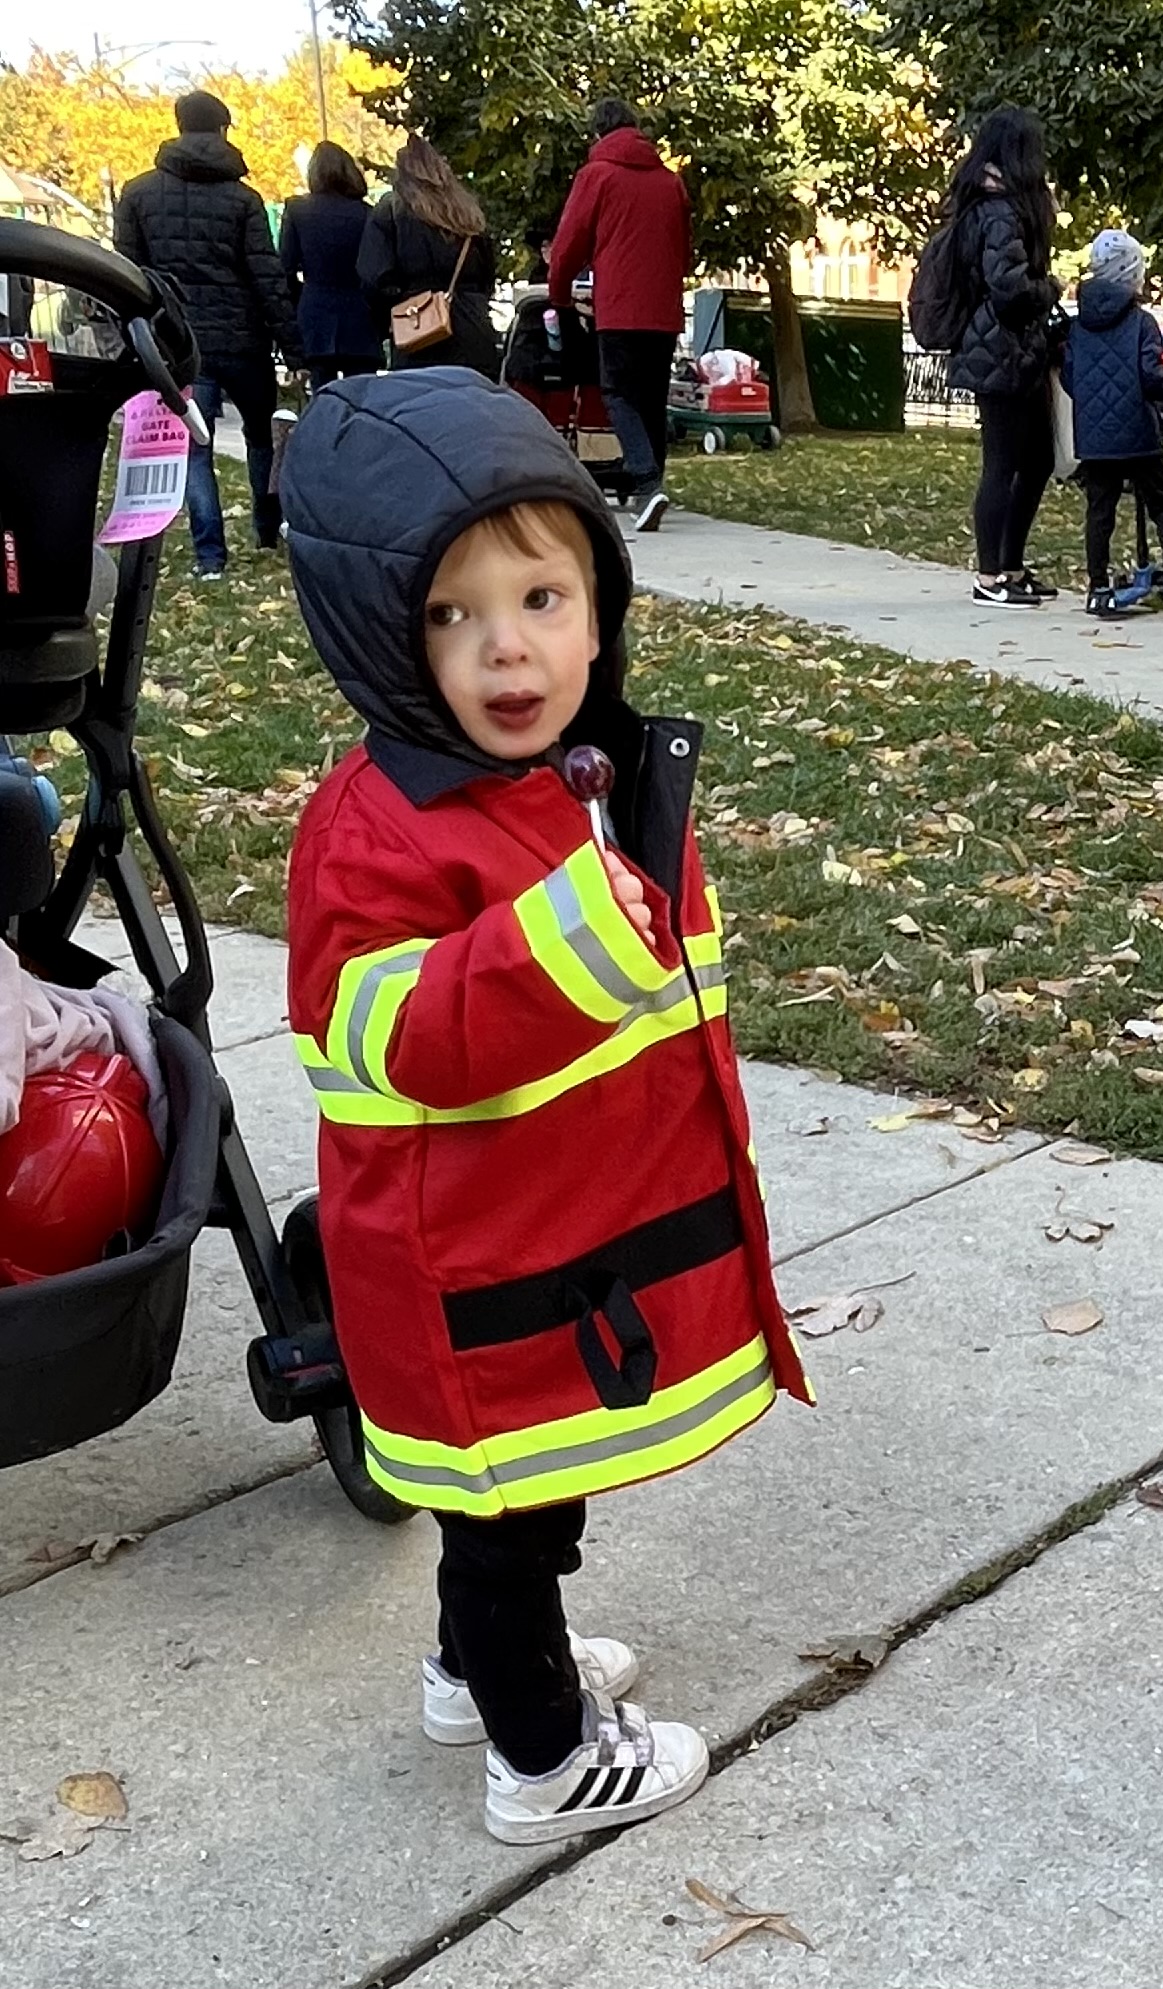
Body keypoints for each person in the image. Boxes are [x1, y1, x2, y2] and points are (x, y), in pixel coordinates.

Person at [278, 369, 811, 1842]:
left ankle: (472, 1669)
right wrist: (559, 939)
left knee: (518, 1510)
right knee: (506, 1519)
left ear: (601, 595)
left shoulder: (575, 775)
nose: (509, 647)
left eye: (543, 594)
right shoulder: (377, 831)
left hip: (549, 1252)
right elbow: (386, 1036)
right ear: (380, 641)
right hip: (465, 1277)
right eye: (449, 615)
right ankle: (543, 1759)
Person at [112, 90, 303, 579]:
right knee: (261, 436)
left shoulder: (137, 194)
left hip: (177, 342)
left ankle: (210, 556)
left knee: (194, 445)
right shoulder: (244, 200)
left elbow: (128, 274)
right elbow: (266, 277)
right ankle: (266, 529)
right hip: (243, 338)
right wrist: (292, 342)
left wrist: (137, 338)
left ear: (178, 127)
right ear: (222, 131)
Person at [549, 100, 694, 535]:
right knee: (651, 396)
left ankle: (647, 482)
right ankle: (651, 485)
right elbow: (684, 249)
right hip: (663, 307)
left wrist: (560, 295)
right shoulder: (671, 183)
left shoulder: (597, 176)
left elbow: (569, 241)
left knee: (618, 393)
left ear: (598, 134)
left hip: (619, 305)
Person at [943, 106, 1062, 608]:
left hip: (1015, 350)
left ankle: (1010, 565)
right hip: (999, 349)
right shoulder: (997, 212)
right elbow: (1009, 287)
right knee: (1002, 463)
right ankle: (990, 574)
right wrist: (1050, 287)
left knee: (1036, 460)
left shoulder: (1000, 205)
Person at [1062, 230, 1163, 620]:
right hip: (1137, 431)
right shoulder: (1141, 322)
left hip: (1094, 436)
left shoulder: (1079, 323)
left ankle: (1097, 586)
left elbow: (1070, 376)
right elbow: (1150, 375)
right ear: (1131, 273)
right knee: (1162, 501)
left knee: (1100, 508)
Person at [357, 138, 498, 379]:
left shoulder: (391, 212)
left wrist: (393, 316)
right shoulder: (468, 213)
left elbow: (374, 280)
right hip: (474, 333)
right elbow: (487, 276)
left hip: (418, 333)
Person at [278, 141, 381, 389]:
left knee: (323, 396)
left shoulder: (297, 210)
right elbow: (377, 271)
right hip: (361, 317)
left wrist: (298, 303)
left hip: (315, 313)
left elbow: (285, 269)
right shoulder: (368, 214)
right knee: (362, 399)